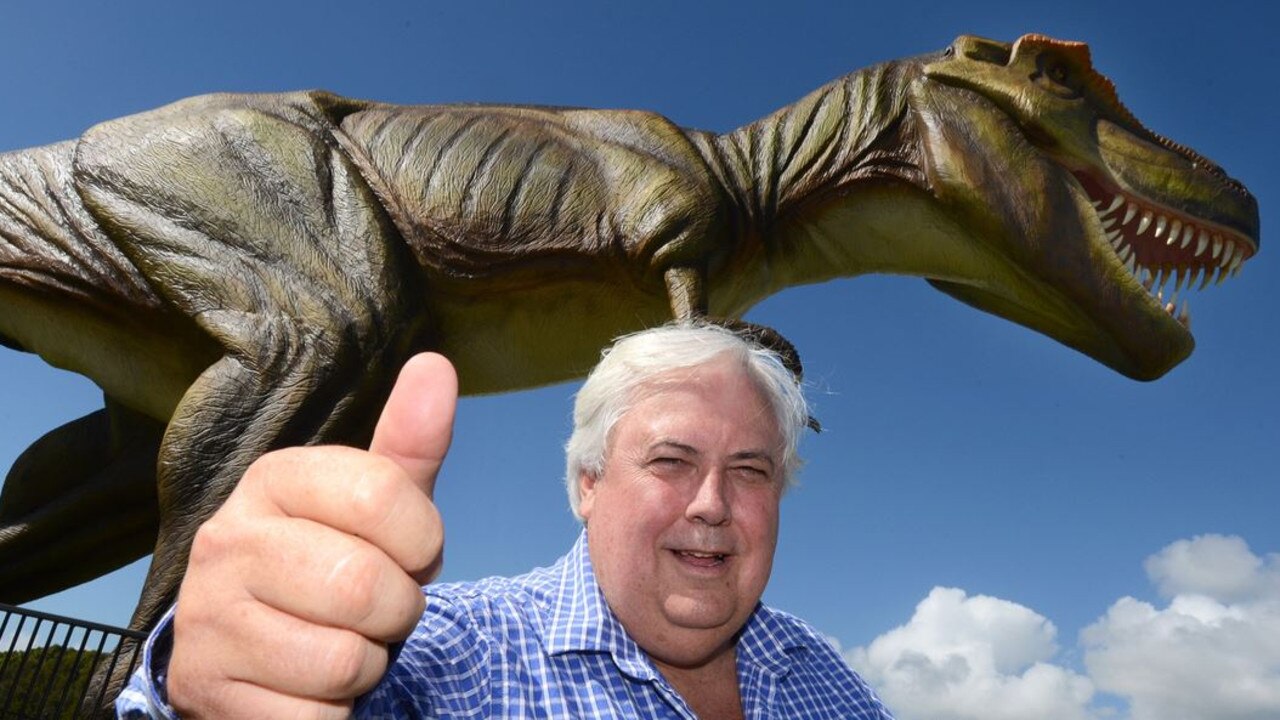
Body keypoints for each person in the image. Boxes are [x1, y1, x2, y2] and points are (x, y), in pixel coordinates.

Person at [117, 322, 895, 719]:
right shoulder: (441, 655)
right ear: (587, 484)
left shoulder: (825, 674)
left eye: (751, 470)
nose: (711, 504)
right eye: (670, 461)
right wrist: (200, 680)